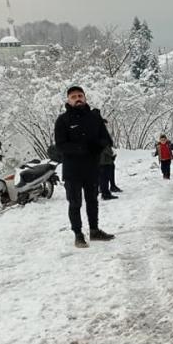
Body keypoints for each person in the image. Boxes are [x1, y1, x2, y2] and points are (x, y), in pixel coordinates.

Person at [54, 85, 115, 248]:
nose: (77, 99)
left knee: (92, 200)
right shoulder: (63, 120)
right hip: (72, 170)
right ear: (68, 100)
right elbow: (60, 146)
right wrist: (80, 148)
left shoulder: (95, 118)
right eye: (73, 97)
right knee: (75, 203)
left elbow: (107, 139)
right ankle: (78, 234)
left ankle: (94, 230)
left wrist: (97, 147)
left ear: (85, 98)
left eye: (80, 95)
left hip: (92, 167)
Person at [98, 134, 118, 200]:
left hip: (103, 161)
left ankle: (106, 190)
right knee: (104, 178)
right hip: (104, 162)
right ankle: (105, 193)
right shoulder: (102, 141)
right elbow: (108, 151)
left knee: (103, 177)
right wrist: (112, 154)